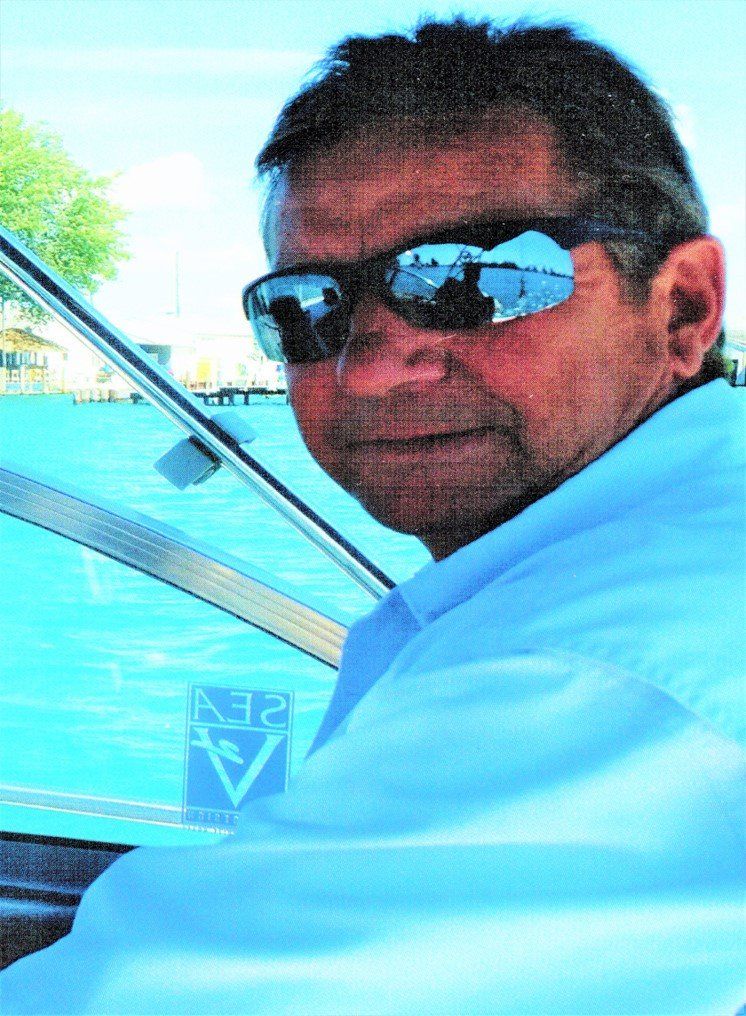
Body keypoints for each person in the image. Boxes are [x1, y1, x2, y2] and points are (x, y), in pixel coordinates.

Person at [2, 18, 743, 1015]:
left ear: (681, 307)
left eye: (470, 279)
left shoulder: (598, 671)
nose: (367, 365)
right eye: (308, 307)